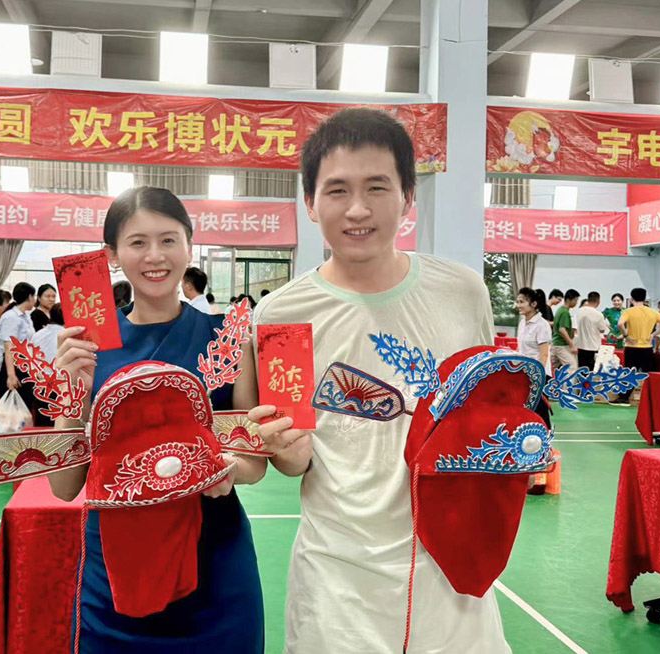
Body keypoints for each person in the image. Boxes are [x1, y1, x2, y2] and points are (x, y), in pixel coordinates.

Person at [247, 108, 509, 653]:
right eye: (337, 190)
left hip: (449, 570)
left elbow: (482, 414)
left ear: (408, 197)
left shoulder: (463, 291)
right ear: (310, 202)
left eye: (377, 187)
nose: (358, 209)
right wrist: (285, 450)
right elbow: (295, 460)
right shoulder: (281, 315)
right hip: (337, 580)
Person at [47, 186, 265, 653]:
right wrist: (71, 391)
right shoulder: (87, 345)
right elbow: (64, 487)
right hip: (117, 569)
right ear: (112, 254)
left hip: (215, 561)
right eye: (137, 242)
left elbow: (254, 463)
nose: (155, 256)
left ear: (189, 245)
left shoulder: (228, 339)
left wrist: (226, 469)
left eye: (168, 240)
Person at [616, 287, 660, 405]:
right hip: (647, 347)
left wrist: (625, 335)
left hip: (632, 347)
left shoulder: (628, 311)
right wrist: (653, 334)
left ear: (632, 299)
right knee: (646, 373)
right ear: (644, 298)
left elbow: (620, 324)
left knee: (629, 372)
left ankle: (624, 398)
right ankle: (650, 398)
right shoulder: (652, 312)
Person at [516, 287, 553, 427]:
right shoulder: (522, 323)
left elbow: (544, 354)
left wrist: (538, 377)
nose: (518, 305)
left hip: (539, 375)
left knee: (540, 410)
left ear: (533, 304)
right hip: (524, 373)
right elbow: (520, 349)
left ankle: (546, 437)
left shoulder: (542, 325)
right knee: (525, 409)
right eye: (518, 302)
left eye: (522, 302)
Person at [0, 282, 37, 414]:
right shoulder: (11, 317)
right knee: (13, 411)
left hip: (26, 365)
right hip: (14, 366)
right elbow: (9, 348)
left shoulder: (26, 316)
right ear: (30, 297)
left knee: (25, 407)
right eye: (34, 296)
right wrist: (11, 375)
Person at [28, 303, 64, 427]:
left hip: (41, 383)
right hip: (61, 385)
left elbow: (31, 360)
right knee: (60, 423)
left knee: (42, 423)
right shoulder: (67, 335)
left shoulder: (37, 335)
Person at [575, 292, 609, 371]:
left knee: (581, 369)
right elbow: (602, 330)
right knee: (590, 370)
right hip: (592, 346)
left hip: (580, 345)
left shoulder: (579, 311)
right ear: (598, 302)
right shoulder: (598, 314)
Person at [550, 289, 580, 372]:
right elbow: (562, 330)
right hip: (561, 344)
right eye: (575, 300)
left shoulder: (560, 310)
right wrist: (572, 345)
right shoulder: (564, 312)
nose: (576, 303)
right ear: (569, 300)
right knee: (571, 367)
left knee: (552, 367)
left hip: (556, 343)